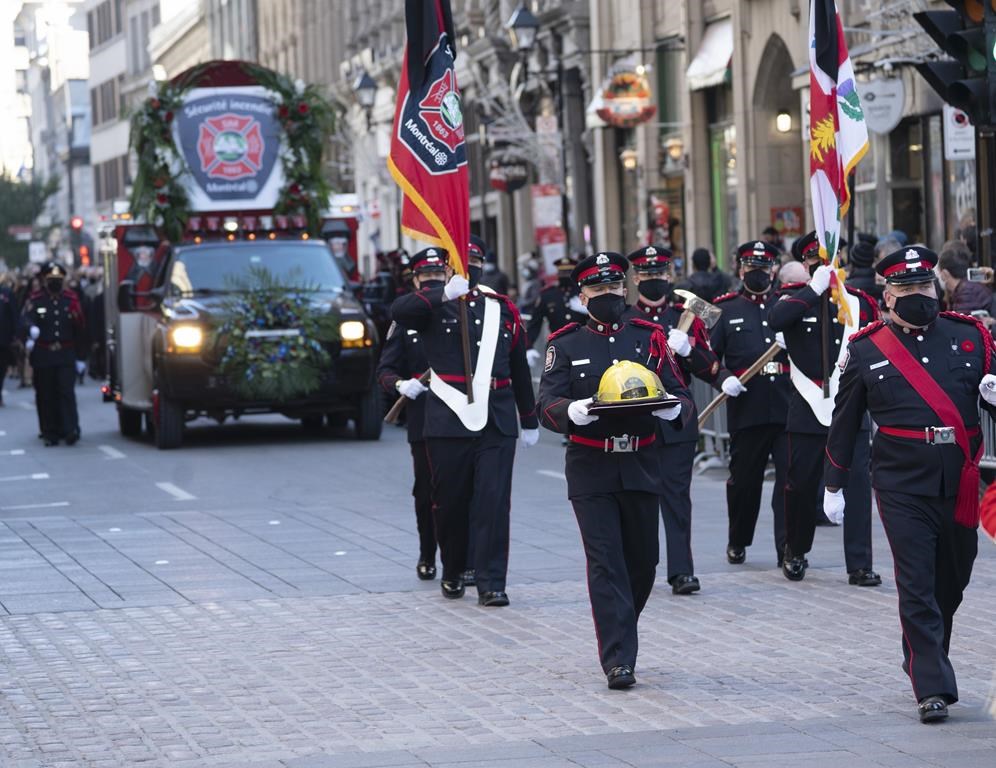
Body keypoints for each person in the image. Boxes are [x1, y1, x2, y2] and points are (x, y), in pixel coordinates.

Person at [824, 245, 996, 723]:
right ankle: (932, 685)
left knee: (954, 578)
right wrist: (834, 483)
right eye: (906, 287)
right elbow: (845, 421)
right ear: (887, 294)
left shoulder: (971, 336)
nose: (918, 294)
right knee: (916, 580)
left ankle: (922, 652)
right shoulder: (866, 347)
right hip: (900, 480)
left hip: (960, 478)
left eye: (924, 286)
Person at [536, 251, 693, 689]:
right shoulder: (564, 343)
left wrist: (672, 411)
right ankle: (619, 658)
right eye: (597, 289)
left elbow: (680, 393)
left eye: (614, 287)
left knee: (643, 562)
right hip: (591, 466)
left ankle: (621, 625)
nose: (607, 295)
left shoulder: (649, 336)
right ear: (581, 294)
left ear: (625, 289)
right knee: (606, 563)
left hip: (642, 461)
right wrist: (574, 410)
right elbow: (546, 404)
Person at [391, 240, 538, 606]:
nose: (470, 266)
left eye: (475, 261)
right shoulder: (432, 308)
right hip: (447, 418)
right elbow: (398, 309)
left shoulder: (501, 309)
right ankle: (454, 568)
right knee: (451, 502)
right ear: (449, 268)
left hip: (497, 416)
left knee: (493, 501)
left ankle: (491, 583)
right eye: (462, 261)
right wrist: (440, 294)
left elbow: (518, 365)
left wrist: (529, 417)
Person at [769, 231, 880, 585]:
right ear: (806, 264)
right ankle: (796, 550)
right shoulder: (796, 299)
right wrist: (813, 289)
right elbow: (776, 320)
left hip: (850, 406)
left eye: (833, 258)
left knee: (859, 486)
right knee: (800, 486)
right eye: (818, 260)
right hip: (806, 406)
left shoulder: (858, 302)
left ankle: (860, 564)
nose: (828, 265)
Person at [623, 245, 723, 594]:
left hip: (677, 421)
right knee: (638, 499)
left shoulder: (687, 317)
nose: (655, 281)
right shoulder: (623, 320)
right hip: (636, 423)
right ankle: (640, 565)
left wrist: (687, 350)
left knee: (677, 498)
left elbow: (710, 367)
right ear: (635, 279)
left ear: (671, 277)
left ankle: (682, 571)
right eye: (647, 276)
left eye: (661, 275)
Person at [709, 241, 790, 566]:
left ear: (773, 269)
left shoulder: (787, 306)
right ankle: (738, 538)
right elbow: (709, 357)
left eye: (764, 268)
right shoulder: (726, 309)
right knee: (744, 482)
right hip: (748, 407)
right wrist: (723, 377)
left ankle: (788, 548)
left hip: (786, 405)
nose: (758, 274)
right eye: (751, 268)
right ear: (740, 270)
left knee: (789, 483)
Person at [377, 248, 444, 581]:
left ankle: (464, 558)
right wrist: (401, 384)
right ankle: (427, 553)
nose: (433, 283)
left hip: (463, 413)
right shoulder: (404, 320)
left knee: (465, 489)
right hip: (423, 416)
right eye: (426, 278)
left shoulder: (461, 313)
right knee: (427, 490)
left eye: (438, 277)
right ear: (415, 281)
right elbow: (385, 369)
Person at [19, 262, 87, 445]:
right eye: (51, 280)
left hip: (65, 352)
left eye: (58, 279)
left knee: (66, 392)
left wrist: (81, 357)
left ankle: (71, 428)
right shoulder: (36, 300)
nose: (55, 283)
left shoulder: (71, 300)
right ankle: (50, 432)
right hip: (44, 354)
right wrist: (30, 329)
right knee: (46, 394)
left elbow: (80, 329)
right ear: (44, 281)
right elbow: (25, 319)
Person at [525, 254, 585, 356]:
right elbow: (534, 323)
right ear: (557, 274)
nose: (565, 276)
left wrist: (589, 309)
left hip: (583, 344)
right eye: (562, 273)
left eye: (568, 272)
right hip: (557, 345)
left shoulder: (583, 292)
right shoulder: (548, 295)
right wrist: (528, 346)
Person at [938, 243, 991, 314]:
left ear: (945, 274)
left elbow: (959, 323)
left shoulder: (967, 293)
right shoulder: (966, 287)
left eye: (939, 271)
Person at [0, 273, 18, 404]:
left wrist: (15, 335)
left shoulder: (7, 293)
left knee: (2, 367)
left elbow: (14, 315)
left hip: (3, 338)